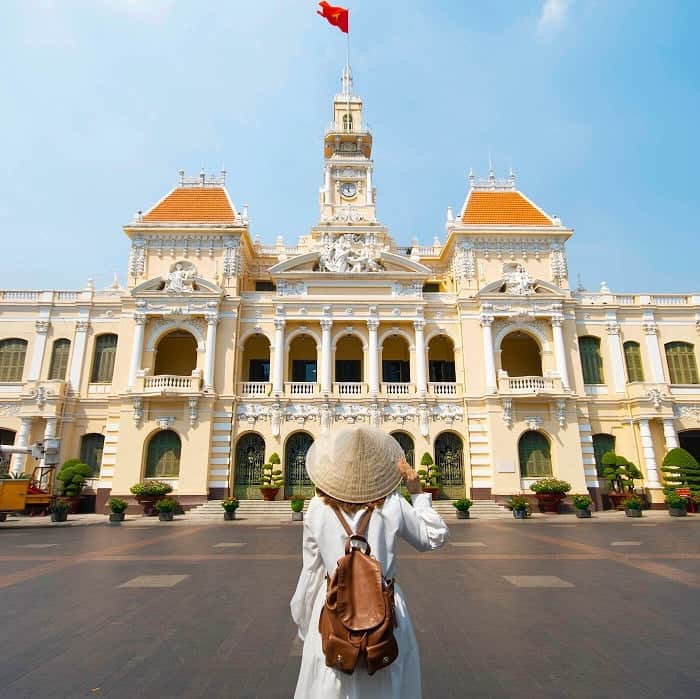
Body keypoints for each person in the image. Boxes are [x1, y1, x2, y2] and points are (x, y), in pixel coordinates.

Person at [290, 427, 449, 698]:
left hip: (332, 607)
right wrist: (418, 493)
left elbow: (311, 572)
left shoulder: (318, 508)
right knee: (388, 682)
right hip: (385, 610)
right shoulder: (391, 503)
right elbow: (433, 537)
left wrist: (306, 622)